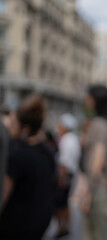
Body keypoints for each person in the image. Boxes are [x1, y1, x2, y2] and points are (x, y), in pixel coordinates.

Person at [0, 94, 57, 240]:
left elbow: (3, 194)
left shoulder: (16, 156)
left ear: (25, 128)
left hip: (15, 228)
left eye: (13, 124)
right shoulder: (47, 151)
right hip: (39, 226)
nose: (9, 128)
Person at [80, 84, 107, 240]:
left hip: (97, 190)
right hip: (102, 189)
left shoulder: (98, 125)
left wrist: (88, 192)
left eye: (88, 97)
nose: (85, 100)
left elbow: (98, 159)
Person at [55, 113, 81, 238]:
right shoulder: (74, 138)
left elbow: (64, 163)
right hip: (70, 174)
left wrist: (61, 178)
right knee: (64, 203)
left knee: (61, 203)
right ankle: (65, 227)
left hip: (65, 175)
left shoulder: (67, 139)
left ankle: (63, 227)